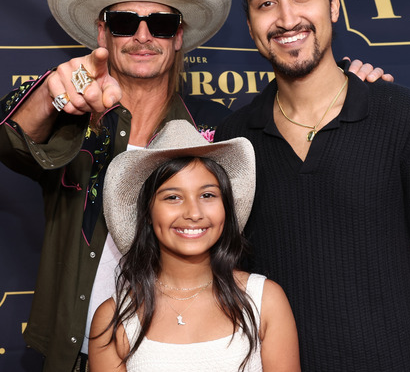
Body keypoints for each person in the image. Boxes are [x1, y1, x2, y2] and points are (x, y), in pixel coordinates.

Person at [0, 0, 390, 372]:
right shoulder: (69, 125)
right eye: (125, 22)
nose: (143, 36)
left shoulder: (216, 131)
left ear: (178, 36)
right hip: (75, 354)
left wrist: (341, 89)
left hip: (187, 354)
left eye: (160, 23)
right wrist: (53, 92)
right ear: (103, 33)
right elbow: (6, 136)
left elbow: (290, 133)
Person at [215, 0, 410, 372]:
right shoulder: (233, 140)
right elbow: (228, 288)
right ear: (251, 23)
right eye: (265, 3)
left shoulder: (409, 118)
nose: (287, 17)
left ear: (333, 5)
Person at [88, 119, 299, 371]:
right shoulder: (112, 320)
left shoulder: (265, 301)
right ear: (147, 212)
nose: (193, 212)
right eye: (173, 197)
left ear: (226, 207)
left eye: (207, 195)